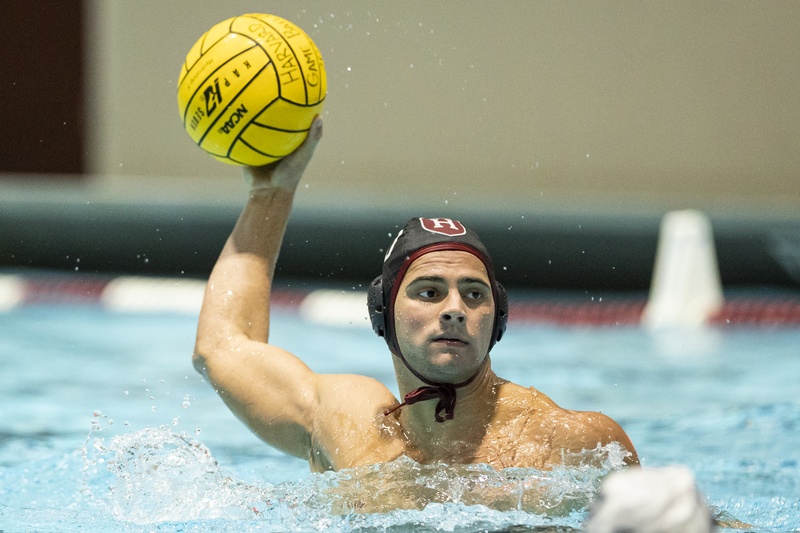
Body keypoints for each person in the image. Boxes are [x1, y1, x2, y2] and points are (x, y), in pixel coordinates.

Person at [192, 116, 638, 473]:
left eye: (474, 295)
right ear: (382, 314)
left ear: (498, 320)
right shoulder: (343, 426)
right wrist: (271, 192)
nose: (454, 311)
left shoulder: (572, 443)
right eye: (428, 292)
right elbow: (222, 347)